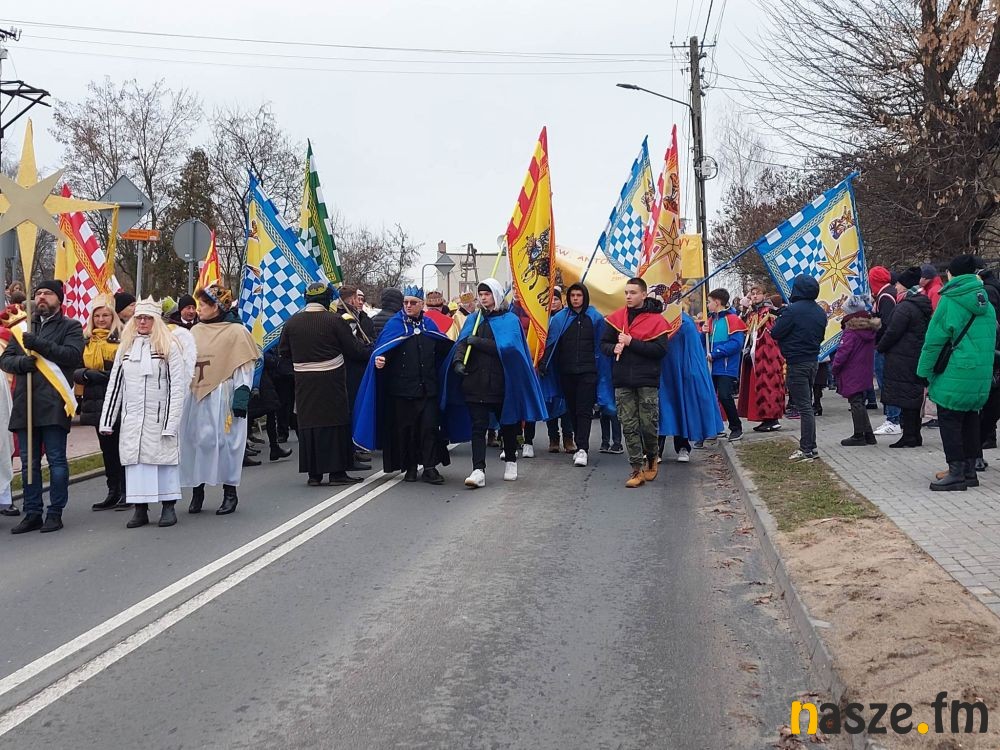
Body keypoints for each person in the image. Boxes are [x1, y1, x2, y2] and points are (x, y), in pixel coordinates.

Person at [442, 278, 546, 488]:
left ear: (496, 295)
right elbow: (462, 343)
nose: (483, 298)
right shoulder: (474, 319)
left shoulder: (510, 320)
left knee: (507, 425)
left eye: (487, 294)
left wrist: (479, 342)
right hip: (475, 382)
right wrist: (458, 362)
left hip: (502, 383)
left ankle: (511, 461)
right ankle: (478, 469)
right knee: (478, 428)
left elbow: (509, 348)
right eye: (480, 294)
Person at [0, 280, 85, 533]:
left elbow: (72, 356)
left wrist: (37, 344)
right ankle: (32, 511)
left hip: (53, 404)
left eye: (48, 293)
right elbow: (6, 359)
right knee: (29, 464)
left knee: (56, 460)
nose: (42, 297)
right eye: (38, 293)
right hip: (25, 404)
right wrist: (21, 364)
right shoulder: (23, 328)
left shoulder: (71, 326)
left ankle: (55, 512)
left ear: (59, 299)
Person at [98, 298, 187, 528]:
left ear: (156, 320)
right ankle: (140, 508)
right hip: (132, 418)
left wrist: (171, 422)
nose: (143, 322)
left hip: (159, 416)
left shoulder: (169, 346)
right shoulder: (126, 347)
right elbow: (115, 385)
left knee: (164, 463)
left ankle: (168, 506)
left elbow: (177, 387)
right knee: (136, 465)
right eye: (139, 318)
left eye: (148, 318)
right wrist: (107, 420)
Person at [354, 286, 453, 483]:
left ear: (421, 305)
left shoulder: (429, 325)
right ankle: (410, 467)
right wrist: (380, 361)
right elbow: (382, 350)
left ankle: (430, 467)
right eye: (405, 302)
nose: (408, 306)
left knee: (429, 428)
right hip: (402, 390)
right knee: (407, 430)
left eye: (413, 303)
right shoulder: (394, 325)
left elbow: (443, 350)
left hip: (427, 388)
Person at [279, 283, 372, 486]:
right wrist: (372, 349)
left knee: (310, 424)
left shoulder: (292, 322)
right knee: (335, 424)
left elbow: (283, 353)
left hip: (304, 382)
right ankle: (337, 473)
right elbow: (354, 350)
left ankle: (314, 474)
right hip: (332, 380)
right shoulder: (334, 320)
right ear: (327, 299)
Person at [917, 255, 997, 491]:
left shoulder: (950, 301)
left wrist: (923, 371)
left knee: (950, 421)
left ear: (952, 274)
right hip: (980, 373)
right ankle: (970, 471)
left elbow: (934, 342)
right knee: (971, 419)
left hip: (955, 371)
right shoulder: (986, 302)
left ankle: (956, 472)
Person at [179, 285, 260, 514]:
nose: (199, 310)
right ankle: (197, 491)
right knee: (196, 442)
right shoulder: (195, 331)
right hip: (196, 396)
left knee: (226, 444)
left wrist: (241, 397)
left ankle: (230, 493)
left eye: (203, 305)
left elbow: (244, 367)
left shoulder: (236, 332)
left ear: (216, 307)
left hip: (222, 396)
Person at [600, 277, 670, 488]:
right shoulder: (617, 318)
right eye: (626, 293)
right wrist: (613, 348)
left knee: (648, 424)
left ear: (643, 295)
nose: (628, 296)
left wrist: (632, 342)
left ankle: (652, 456)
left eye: (633, 293)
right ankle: (636, 469)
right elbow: (604, 343)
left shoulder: (657, 321)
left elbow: (660, 351)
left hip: (647, 379)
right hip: (622, 379)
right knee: (629, 426)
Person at [537, 283, 612, 467]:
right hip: (567, 371)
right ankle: (579, 444)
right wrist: (544, 362)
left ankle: (583, 448)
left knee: (584, 410)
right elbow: (552, 344)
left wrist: (601, 369)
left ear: (584, 297)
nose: (576, 298)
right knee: (572, 410)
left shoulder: (595, 317)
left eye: (579, 295)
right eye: (572, 295)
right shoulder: (560, 319)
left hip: (588, 371)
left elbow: (601, 344)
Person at [74, 294, 127, 511]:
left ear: (113, 317)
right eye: (97, 316)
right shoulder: (86, 340)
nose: (101, 319)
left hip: (118, 400)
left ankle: (127, 491)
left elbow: (125, 369)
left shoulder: (122, 337)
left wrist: (104, 376)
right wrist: (86, 374)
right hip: (95, 401)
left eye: (105, 315)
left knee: (121, 447)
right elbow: (75, 368)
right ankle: (112, 491)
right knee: (107, 449)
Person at [770, 274, 827, 462]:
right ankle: (811, 446)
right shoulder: (819, 311)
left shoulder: (792, 311)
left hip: (796, 361)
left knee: (804, 407)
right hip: (812, 360)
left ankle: (807, 448)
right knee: (807, 404)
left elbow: (776, 332)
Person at [658, 311, 725, 462]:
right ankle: (656, 449)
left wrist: (693, 372)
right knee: (661, 409)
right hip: (661, 371)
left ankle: (683, 446)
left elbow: (694, 349)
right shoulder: (655, 318)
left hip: (681, 371)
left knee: (681, 406)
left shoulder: (685, 322)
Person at [876, 268, 930, 449]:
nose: (896, 287)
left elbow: (892, 331)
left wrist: (881, 347)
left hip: (903, 357)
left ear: (905, 285)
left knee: (906, 398)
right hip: (915, 354)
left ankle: (909, 436)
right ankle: (914, 435)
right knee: (913, 396)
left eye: (898, 284)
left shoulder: (905, 307)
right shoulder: (921, 303)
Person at [831, 295, 881, 446]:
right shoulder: (868, 329)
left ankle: (859, 435)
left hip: (851, 370)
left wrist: (835, 368)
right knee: (859, 401)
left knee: (856, 402)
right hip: (864, 369)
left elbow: (843, 353)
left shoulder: (851, 332)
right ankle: (868, 434)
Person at [738, 285, 785, 432]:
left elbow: (770, 336)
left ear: (764, 295)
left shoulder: (769, 312)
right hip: (756, 354)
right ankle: (765, 418)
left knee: (769, 385)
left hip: (767, 355)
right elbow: (747, 332)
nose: (754, 296)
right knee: (758, 386)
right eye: (752, 294)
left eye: (757, 294)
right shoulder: (753, 313)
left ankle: (772, 418)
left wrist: (761, 351)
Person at [705, 288, 746, 442]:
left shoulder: (733, 319)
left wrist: (715, 353)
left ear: (717, 302)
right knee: (710, 397)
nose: (707, 305)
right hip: (712, 366)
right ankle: (715, 428)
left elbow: (736, 344)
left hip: (727, 366)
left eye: (709, 302)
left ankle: (736, 428)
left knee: (724, 396)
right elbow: (704, 342)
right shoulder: (710, 320)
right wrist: (703, 333)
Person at [869, 266, 902, 435]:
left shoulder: (885, 296)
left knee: (886, 383)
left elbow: (887, 323)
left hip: (884, 346)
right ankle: (894, 417)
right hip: (887, 345)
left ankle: (893, 419)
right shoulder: (888, 293)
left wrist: (873, 329)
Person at [975, 262, 1000, 461]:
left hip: (993, 352)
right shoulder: (992, 287)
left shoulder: (988, 291)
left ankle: (986, 438)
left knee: (990, 403)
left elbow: (991, 322)